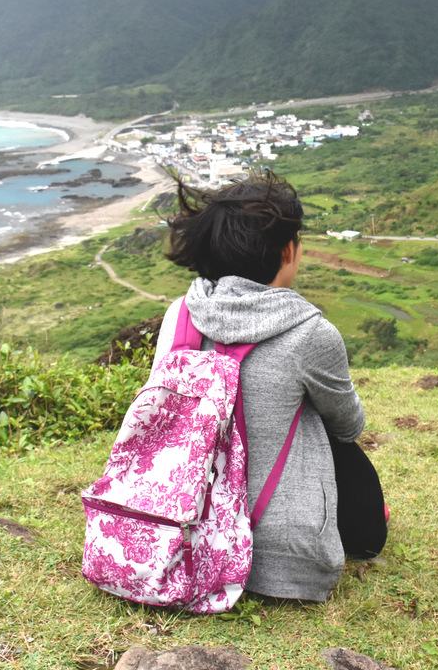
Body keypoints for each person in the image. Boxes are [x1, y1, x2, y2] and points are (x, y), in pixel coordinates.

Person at [151, 170, 387, 602]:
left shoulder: (180, 313)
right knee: (325, 427)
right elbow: (349, 426)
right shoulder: (310, 333)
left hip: (172, 537)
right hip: (282, 560)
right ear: (287, 250)